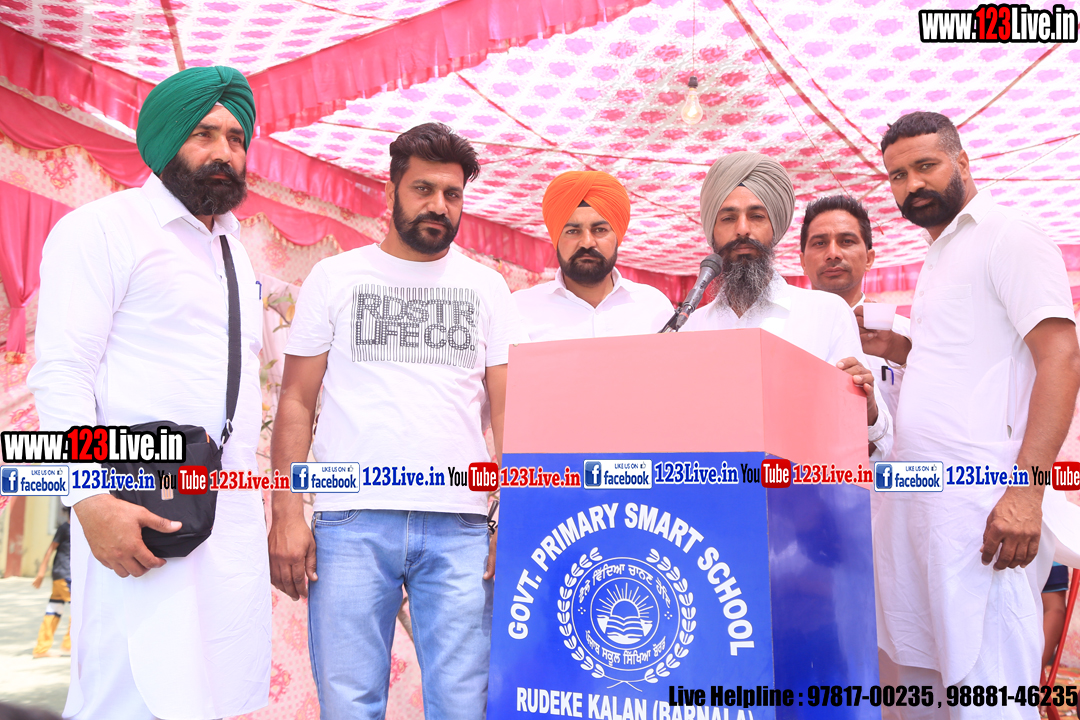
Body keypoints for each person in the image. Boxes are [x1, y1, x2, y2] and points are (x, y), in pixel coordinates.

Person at [26, 66, 270, 719]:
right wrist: (87, 498)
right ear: (165, 140)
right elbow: (61, 372)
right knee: (128, 693)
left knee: (213, 694)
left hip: (227, 516)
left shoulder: (236, 251)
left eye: (236, 138)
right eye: (203, 134)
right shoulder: (103, 228)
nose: (224, 152)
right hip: (136, 505)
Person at [268, 122, 524, 720]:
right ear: (390, 192)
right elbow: (297, 401)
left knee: (462, 707)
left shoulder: (487, 289)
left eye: (452, 194)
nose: (439, 205)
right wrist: (286, 513)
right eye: (423, 189)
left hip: (461, 526)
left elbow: (510, 409)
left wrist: (514, 514)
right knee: (349, 706)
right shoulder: (335, 278)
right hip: (350, 522)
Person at [876, 111, 1080, 719]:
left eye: (926, 166)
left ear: (962, 162)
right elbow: (972, 361)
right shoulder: (938, 255)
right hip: (921, 510)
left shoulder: (1008, 235)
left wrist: (1026, 492)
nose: (913, 184)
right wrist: (901, 349)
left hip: (986, 511)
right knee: (925, 690)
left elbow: (1061, 356)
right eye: (898, 175)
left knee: (990, 697)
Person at [682, 152, 891, 457]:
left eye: (757, 216)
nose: (743, 229)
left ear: (775, 230)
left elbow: (875, 442)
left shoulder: (826, 312)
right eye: (728, 218)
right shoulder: (691, 328)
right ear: (712, 233)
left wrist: (867, 408)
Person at [798, 194, 909, 443]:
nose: (833, 253)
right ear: (802, 262)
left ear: (869, 258)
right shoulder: (783, 334)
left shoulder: (906, 335)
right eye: (819, 243)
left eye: (846, 241)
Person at [512, 171, 672, 339]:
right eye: (572, 231)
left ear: (617, 237)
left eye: (600, 230)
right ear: (556, 238)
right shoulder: (519, 310)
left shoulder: (653, 306)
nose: (587, 243)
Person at [32, 506, 70, 659]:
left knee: (53, 610)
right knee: (79, 609)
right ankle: (70, 645)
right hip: (66, 575)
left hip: (60, 575)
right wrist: (41, 572)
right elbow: (50, 549)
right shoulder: (65, 528)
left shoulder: (75, 530)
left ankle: (41, 648)